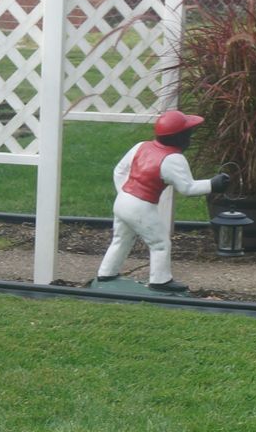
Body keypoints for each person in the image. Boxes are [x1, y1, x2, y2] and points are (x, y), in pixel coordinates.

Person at [94, 110, 230, 294]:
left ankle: (106, 273)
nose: (189, 138)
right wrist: (213, 184)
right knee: (160, 243)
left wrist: (126, 194)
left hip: (123, 200)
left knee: (121, 238)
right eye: (188, 134)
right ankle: (160, 281)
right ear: (180, 138)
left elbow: (119, 170)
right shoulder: (173, 159)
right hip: (140, 204)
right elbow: (187, 188)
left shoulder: (141, 146)